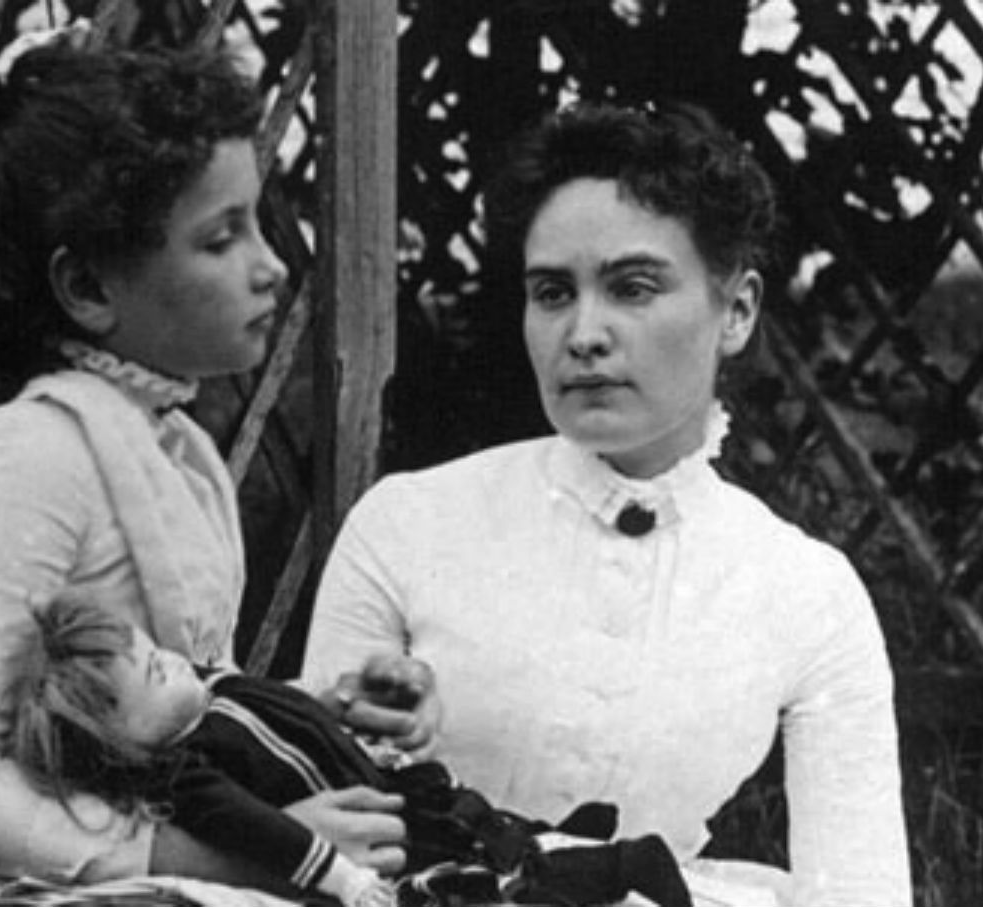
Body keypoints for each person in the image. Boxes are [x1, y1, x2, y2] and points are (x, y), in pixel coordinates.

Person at [301, 102, 911, 907]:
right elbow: (308, 823)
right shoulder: (408, 523)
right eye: (553, 293)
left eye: (632, 287)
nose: (584, 333)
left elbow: (862, 890)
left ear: (736, 311)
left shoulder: (808, 590)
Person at [0, 24, 430, 893]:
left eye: (260, 224)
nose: (272, 267)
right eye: (222, 239)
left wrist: (316, 711)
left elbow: (171, 709)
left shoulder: (170, 445)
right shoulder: (27, 461)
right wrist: (240, 854)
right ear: (88, 288)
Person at [7, 596, 695, 907]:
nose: (172, 662)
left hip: (391, 786)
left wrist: (344, 706)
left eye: (157, 652)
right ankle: (607, 866)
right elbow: (265, 831)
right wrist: (344, 882)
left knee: (480, 828)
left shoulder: (221, 691)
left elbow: (294, 711)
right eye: (155, 677)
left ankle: (574, 851)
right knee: (468, 874)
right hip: (380, 830)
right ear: (124, 748)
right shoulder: (187, 773)